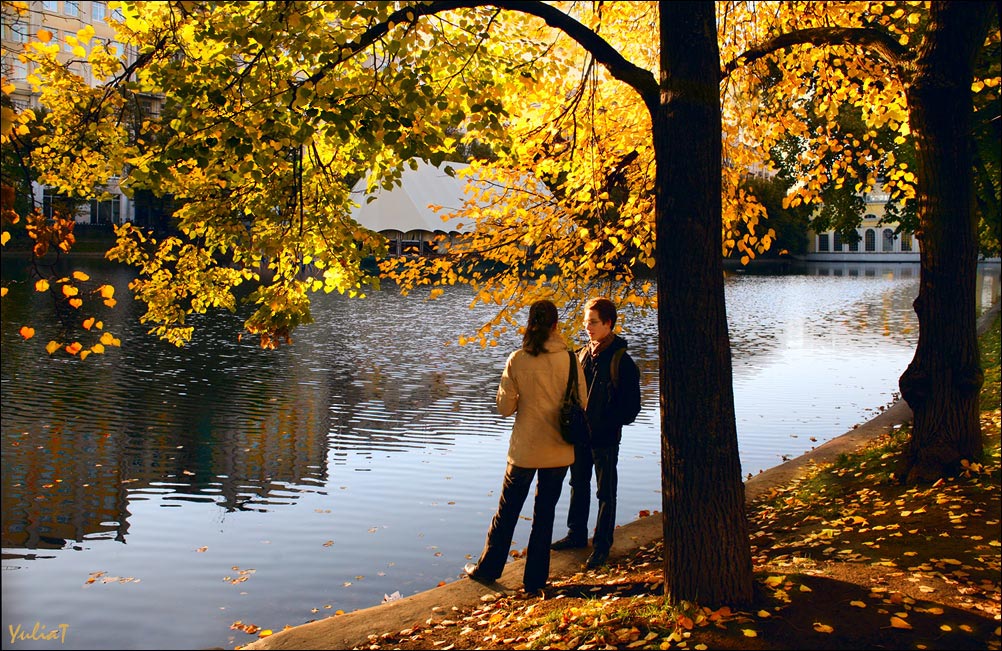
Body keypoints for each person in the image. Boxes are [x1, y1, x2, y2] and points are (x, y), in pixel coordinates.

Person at [464, 299, 588, 594]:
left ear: (530, 323)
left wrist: (522, 399)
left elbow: (505, 408)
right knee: (545, 515)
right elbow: (582, 403)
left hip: (524, 450)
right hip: (559, 450)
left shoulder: (518, 359)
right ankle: (535, 581)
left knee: (507, 512)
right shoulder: (571, 359)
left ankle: (488, 569)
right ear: (556, 325)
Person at [551, 297, 642, 569]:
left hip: (605, 437)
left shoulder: (622, 362)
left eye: (593, 322)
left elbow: (631, 409)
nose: (587, 327)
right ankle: (576, 534)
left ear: (608, 324)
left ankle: (602, 545)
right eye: (585, 322)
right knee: (578, 485)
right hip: (580, 436)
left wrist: (607, 421)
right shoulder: (579, 355)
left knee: (606, 492)